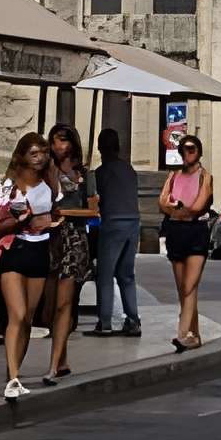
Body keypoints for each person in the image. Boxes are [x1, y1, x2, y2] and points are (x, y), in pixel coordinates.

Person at [0, 133, 56, 400]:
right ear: (22, 156)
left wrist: (50, 220)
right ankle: (14, 378)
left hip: (40, 249)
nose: (39, 158)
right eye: (33, 153)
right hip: (15, 249)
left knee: (28, 317)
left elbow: (58, 208)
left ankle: (13, 369)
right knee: (16, 314)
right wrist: (22, 221)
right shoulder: (10, 185)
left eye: (42, 152)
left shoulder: (50, 182)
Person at [44, 123, 94, 380]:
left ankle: (54, 364)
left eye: (62, 140)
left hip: (74, 239)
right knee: (53, 303)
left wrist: (65, 212)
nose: (57, 146)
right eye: (53, 141)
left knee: (64, 303)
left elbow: (94, 210)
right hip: (51, 239)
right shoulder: (47, 170)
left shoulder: (84, 174)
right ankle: (61, 358)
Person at [158, 133, 213, 348]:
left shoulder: (204, 176)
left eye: (192, 149)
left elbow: (198, 207)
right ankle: (195, 335)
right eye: (184, 149)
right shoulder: (173, 176)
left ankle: (182, 333)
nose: (188, 153)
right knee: (183, 287)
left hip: (196, 232)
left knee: (190, 285)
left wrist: (178, 209)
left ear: (199, 152)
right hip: (176, 232)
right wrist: (179, 210)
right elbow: (163, 202)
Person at [88, 128, 142, 338]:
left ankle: (105, 322)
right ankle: (133, 320)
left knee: (105, 274)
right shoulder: (129, 170)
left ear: (101, 148)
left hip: (113, 223)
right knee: (126, 274)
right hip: (133, 222)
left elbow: (93, 198)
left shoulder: (102, 172)